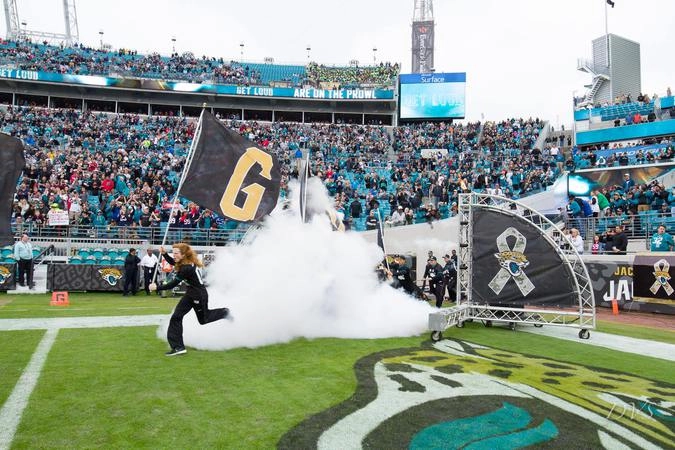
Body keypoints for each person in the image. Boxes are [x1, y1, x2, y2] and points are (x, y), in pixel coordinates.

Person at [150, 243, 231, 356]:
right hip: (190, 294)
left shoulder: (186, 268)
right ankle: (178, 347)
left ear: (183, 255)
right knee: (176, 317)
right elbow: (173, 262)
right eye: (173, 253)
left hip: (198, 295)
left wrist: (157, 287)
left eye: (176, 253)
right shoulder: (184, 262)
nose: (174, 255)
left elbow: (173, 284)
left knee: (204, 320)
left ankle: (225, 312)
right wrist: (164, 254)